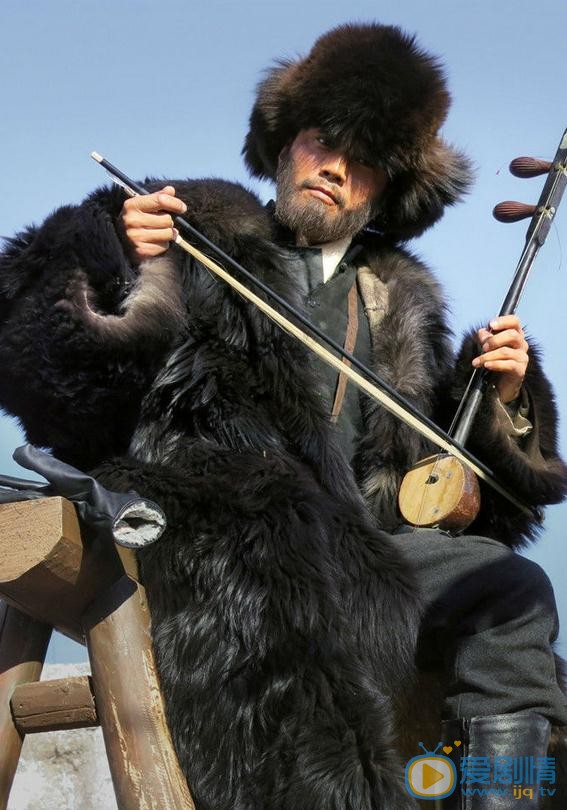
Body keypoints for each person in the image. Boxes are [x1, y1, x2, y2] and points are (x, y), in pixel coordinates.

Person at [0, 22, 565, 809]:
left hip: (362, 548)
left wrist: (505, 402)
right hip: (211, 522)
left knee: (509, 586)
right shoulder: (190, 222)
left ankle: (506, 800)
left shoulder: (399, 298)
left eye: (363, 162)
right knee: (279, 555)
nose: (335, 168)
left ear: (385, 191)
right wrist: (117, 259)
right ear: (284, 143)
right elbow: (42, 374)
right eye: (321, 141)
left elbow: (455, 501)